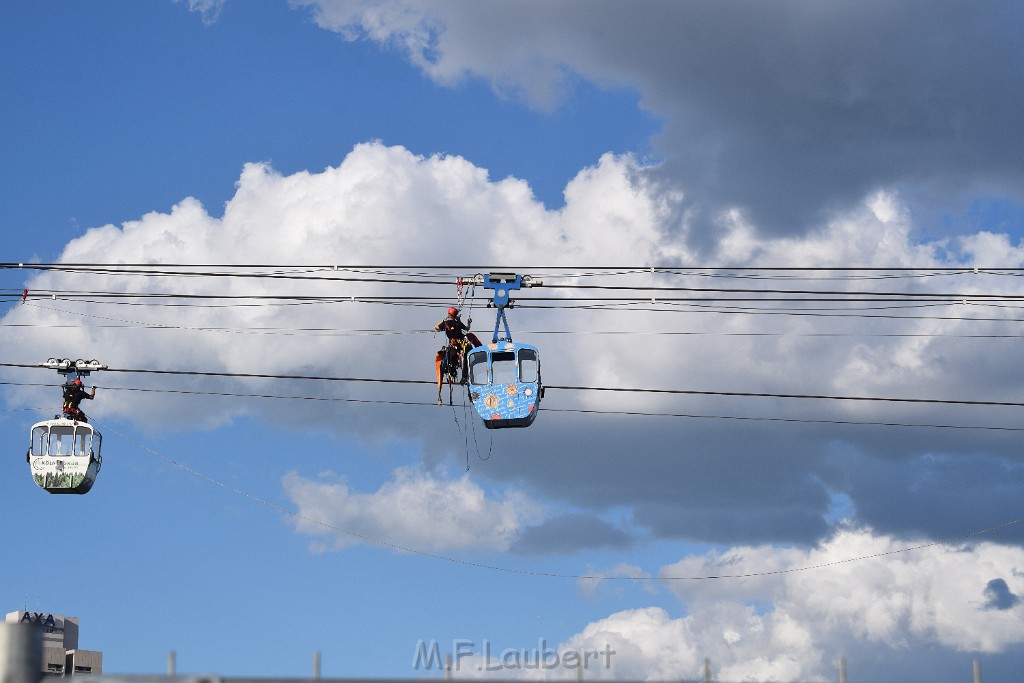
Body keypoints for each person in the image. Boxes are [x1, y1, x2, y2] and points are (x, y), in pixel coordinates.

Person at [434, 308, 482, 387]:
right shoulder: (457, 323)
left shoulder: (446, 323)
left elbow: (436, 327)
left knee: (451, 357)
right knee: (466, 357)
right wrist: (468, 322)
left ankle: (451, 374)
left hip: (454, 345)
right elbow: (467, 328)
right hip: (462, 344)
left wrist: (443, 321)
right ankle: (464, 376)